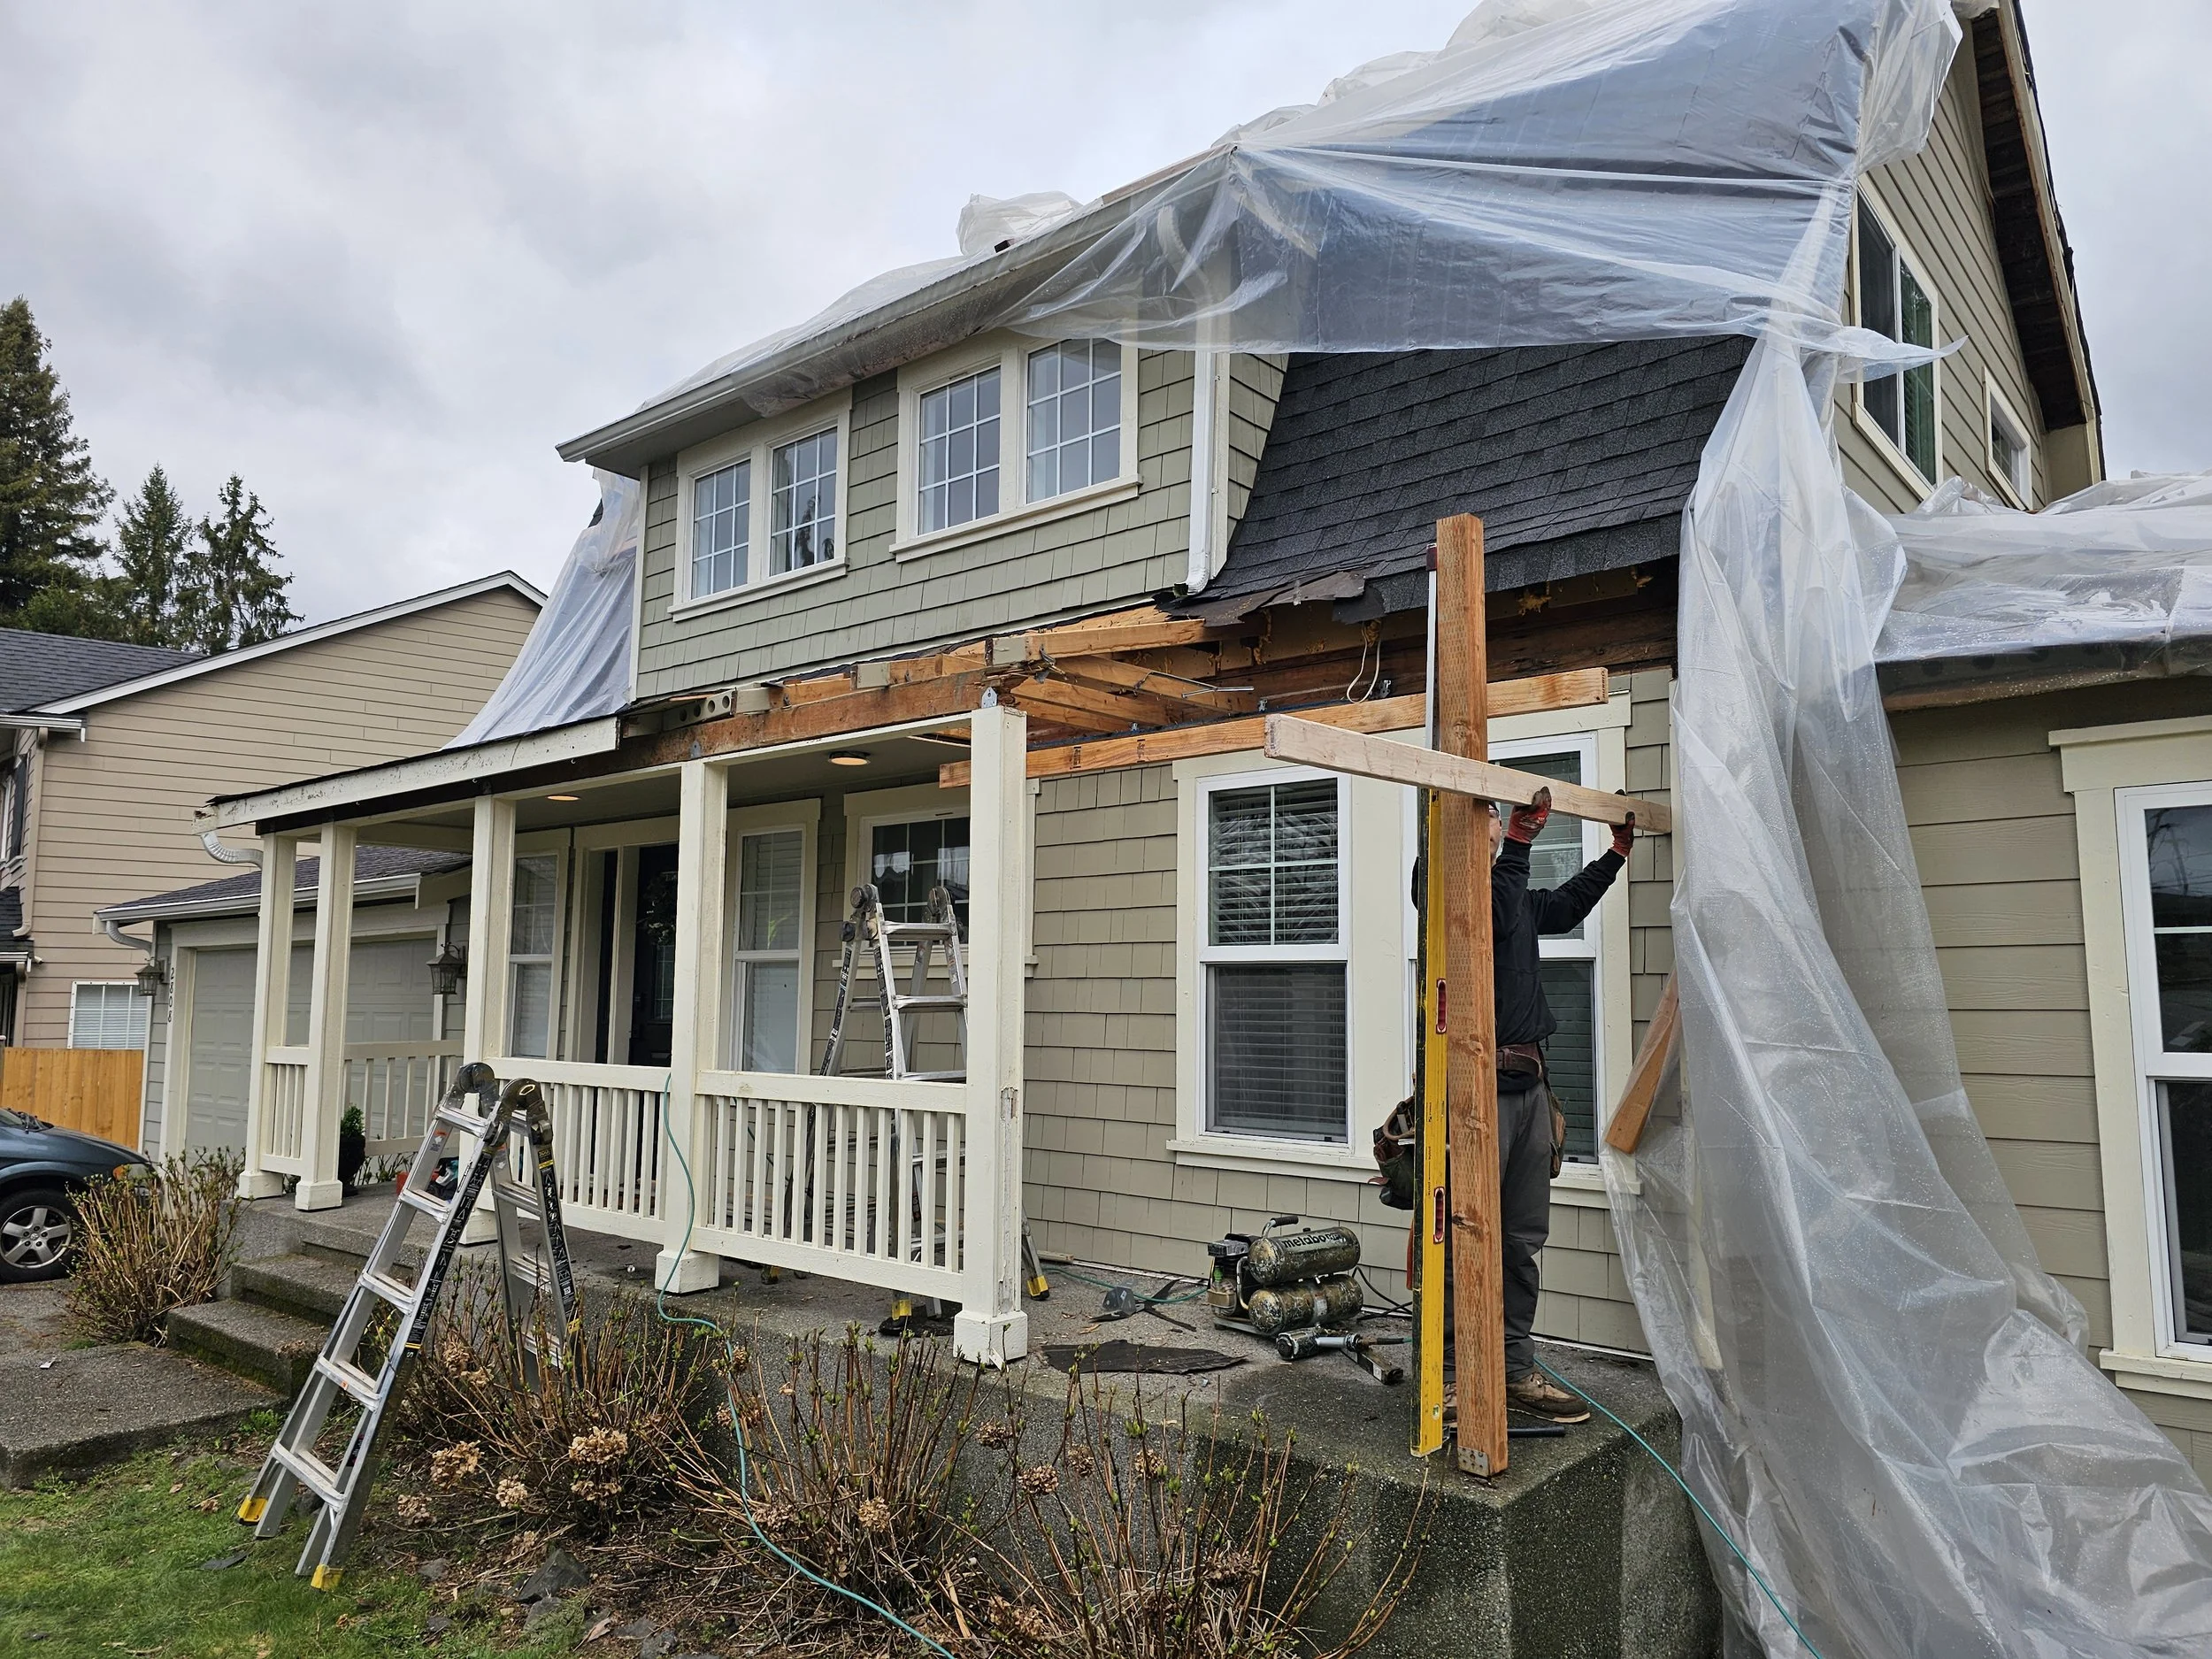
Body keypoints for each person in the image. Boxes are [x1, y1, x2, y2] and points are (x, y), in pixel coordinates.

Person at [1488, 786, 1632, 1424]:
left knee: (1520, 1240)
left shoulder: (1511, 889)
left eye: (1496, 813)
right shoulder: (1437, 880)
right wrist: (1518, 843)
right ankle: (1455, 1377)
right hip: (1475, 1097)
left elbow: (1567, 905)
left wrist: (1615, 855)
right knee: (1467, 1234)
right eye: (1487, 813)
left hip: (1528, 1092)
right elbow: (1485, 916)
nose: (1493, 820)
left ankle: (1515, 1370)